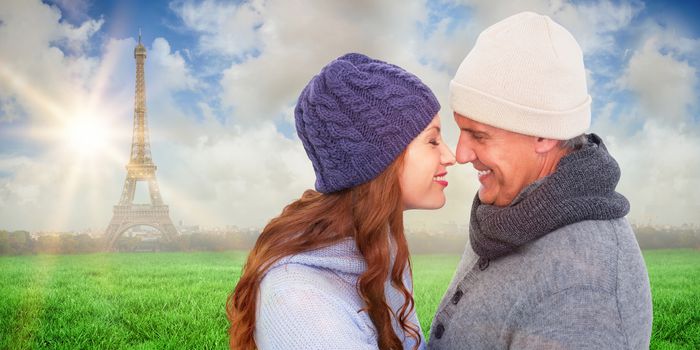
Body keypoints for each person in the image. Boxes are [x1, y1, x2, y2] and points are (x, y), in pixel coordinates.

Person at [428, 12, 652, 349]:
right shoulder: (515, 206)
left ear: (544, 136)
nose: (461, 154)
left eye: (479, 135)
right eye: (461, 129)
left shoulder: (584, 299)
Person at [227, 53, 456, 350]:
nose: (451, 156)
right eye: (433, 141)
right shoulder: (302, 306)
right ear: (379, 159)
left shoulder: (377, 248)